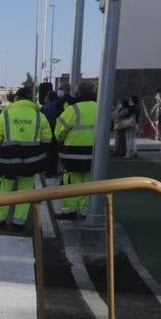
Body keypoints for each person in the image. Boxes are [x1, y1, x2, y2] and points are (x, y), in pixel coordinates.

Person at [0, 84, 48, 229]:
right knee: (25, 191)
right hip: (31, 161)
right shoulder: (40, 116)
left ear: (16, 98)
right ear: (31, 99)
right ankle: (18, 222)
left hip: (7, 161)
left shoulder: (5, 116)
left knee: (3, 190)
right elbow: (47, 140)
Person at [54, 81, 97, 219]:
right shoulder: (101, 108)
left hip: (73, 154)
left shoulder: (74, 109)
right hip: (94, 154)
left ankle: (70, 211)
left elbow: (59, 132)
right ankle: (85, 212)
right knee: (89, 184)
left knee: (72, 183)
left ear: (78, 93)